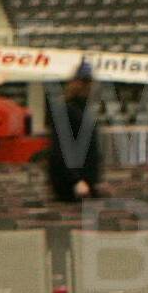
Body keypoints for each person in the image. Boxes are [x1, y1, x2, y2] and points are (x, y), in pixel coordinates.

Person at [43, 63, 106, 203]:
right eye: (84, 82)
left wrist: (95, 181)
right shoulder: (65, 110)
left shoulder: (86, 109)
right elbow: (60, 149)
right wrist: (75, 180)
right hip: (71, 184)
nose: (88, 87)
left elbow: (91, 149)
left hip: (86, 183)